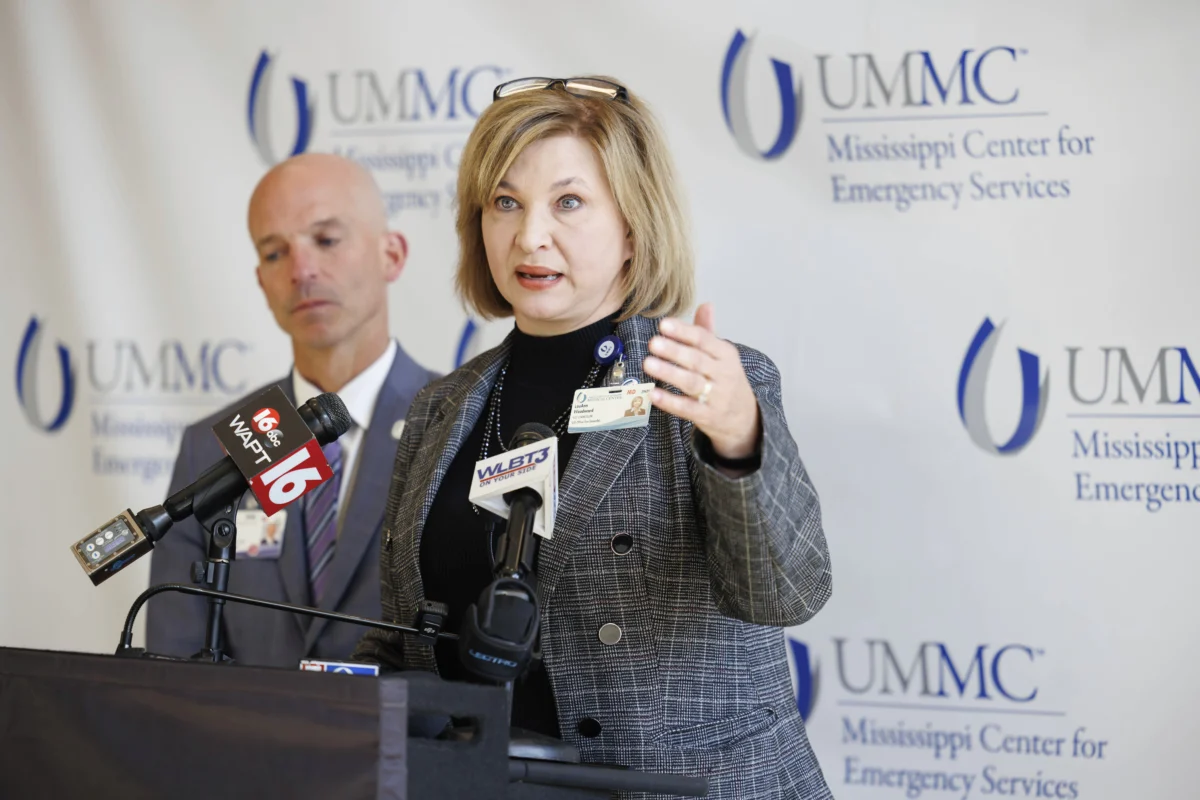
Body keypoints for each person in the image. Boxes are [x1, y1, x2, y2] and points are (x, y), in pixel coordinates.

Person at [354, 78, 833, 798]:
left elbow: (785, 595)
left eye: (568, 203)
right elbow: (405, 637)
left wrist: (738, 438)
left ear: (635, 224)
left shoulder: (706, 384)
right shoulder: (441, 408)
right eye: (505, 203)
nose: (529, 235)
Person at [147, 153, 439, 668]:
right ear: (261, 281)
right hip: (247, 746)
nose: (302, 270)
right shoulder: (209, 446)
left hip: (401, 745)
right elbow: (174, 662)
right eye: (275, 252)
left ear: (391, 254)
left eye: (326, 240)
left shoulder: (456, 422)